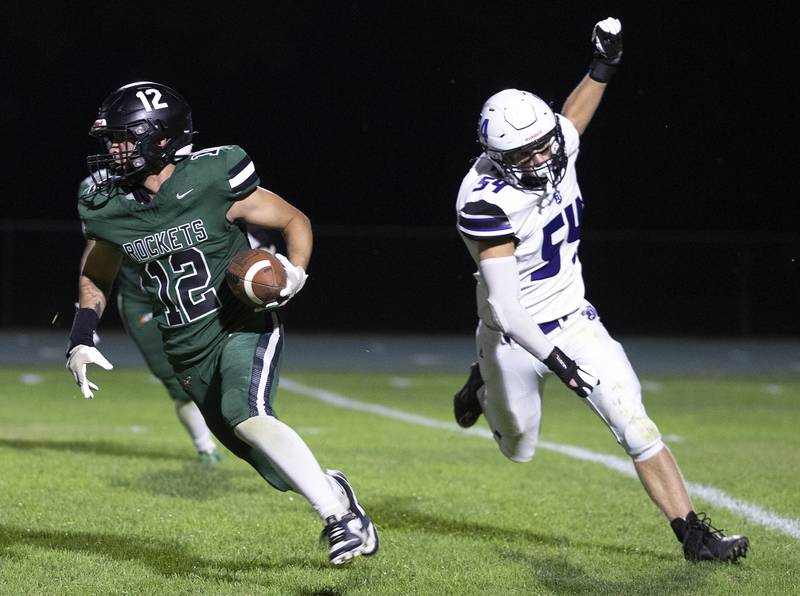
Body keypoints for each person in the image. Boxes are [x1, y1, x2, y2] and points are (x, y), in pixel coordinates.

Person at [452, 18, 749, 563]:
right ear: (498, 159)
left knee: (632, 419)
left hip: (573, 316)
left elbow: (572, 119)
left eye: (544, 146)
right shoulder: (484, 201)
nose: (543, 159)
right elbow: (506, 306)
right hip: (514, 335)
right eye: (527, 156)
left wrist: (603, 66)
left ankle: (693, 535)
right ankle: (482, 385)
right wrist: (560, 365)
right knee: (518, 447)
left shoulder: (551, 142)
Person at [65, 81, 378, 565]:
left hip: (241, 324)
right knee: (271, 467)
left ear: (160, 138)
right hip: (185, 347)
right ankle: (335, 489)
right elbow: (96, 272)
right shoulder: (110, 206)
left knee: (246, 413)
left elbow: (294, 220)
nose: (112, 149)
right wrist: (81, 336)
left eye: (123, 137)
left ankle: (338, 519)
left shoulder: (212, 177)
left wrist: (294, 271)